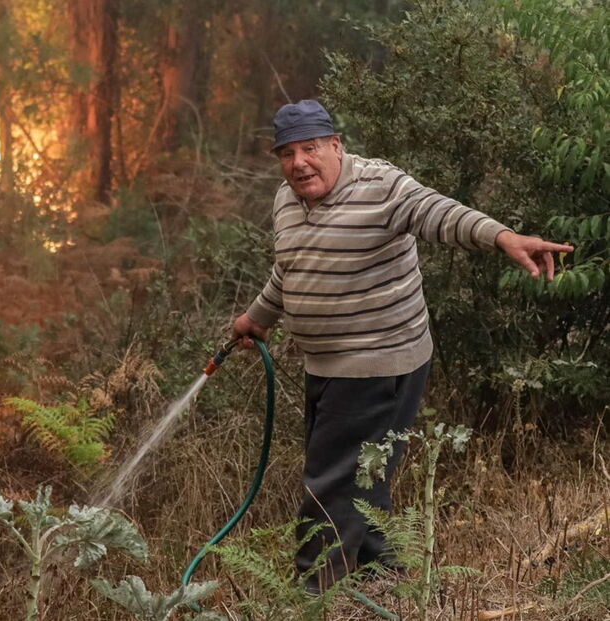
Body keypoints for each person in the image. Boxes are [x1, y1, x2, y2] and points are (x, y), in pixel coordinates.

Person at [230, 99, 573, 591]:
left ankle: (312, 596)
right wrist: (256, 318)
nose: (299, 163)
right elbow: (291, 269)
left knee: (331, 483)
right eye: (287, 153)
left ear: (335, 145)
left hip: (377, 361)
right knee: (360, 476)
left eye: (310, 149)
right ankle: (383, 578)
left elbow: (439, 213)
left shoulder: (381, 186)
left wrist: (502, 238)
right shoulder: (288, 199)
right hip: (324, 363)